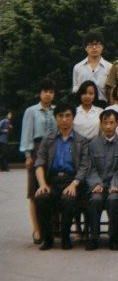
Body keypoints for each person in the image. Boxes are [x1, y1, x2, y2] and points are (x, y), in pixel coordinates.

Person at [34, 103, 90, 250]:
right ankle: (48, 239)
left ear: (73, 118)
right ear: (55, 118)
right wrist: (42, 185)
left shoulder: (81, 141)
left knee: (68, 199)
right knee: (41, 198)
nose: (64, 119)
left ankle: (65, 237)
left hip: (72, 181)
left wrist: (74, 184)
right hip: (51, 181)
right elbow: (39, 163)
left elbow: (84, 166)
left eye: (67, 116)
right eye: (60, 116)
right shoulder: (47, 140)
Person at [20, 78, 57, 244]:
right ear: (40, 93)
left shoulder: (56, 111)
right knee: (35, 191)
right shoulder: (32, 111)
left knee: (52, 188)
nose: (48, 95)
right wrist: (28, 154)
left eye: (50, 92)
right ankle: (37, 229)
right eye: (45, 91)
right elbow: (26, 133)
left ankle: (52, 228)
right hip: (36, 149)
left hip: (54, 150)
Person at [85, 109, 118, 251]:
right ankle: (94, 238)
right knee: (95, 199)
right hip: (99, 184)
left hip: (116, 185)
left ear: (117, 124)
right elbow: (90, 168)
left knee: (114, 199)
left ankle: (114, 238)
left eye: (111, 123)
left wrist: (116, 184)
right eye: (105, 123)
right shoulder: (93, 144)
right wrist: (96, 184)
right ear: (101, 124)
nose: (108, 126)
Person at [72, 31, 111, 102]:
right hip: (82, 106)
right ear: (85, 48)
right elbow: (75, 89)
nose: (94, 48)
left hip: (103, 105)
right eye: (90, 45)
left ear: (102, 47)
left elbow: (111, 91)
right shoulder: (78, 67)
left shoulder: (110, 67)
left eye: (97, 45)